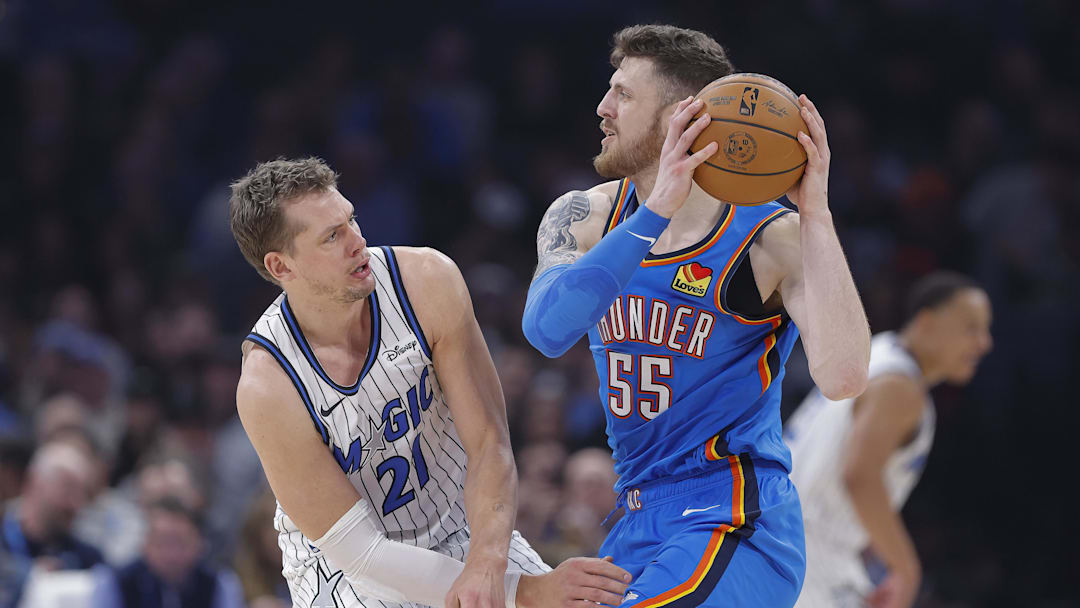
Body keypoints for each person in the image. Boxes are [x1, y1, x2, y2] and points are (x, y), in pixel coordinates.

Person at [521, 24, 871, 606]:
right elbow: (546, 332)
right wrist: (656, 210)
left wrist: (817, 216)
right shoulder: (583, 216)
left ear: (682, 115)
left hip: (733, 515)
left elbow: (844, 376)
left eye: (624, 95)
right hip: (633, 517)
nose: (603, 108)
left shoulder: (771, 237)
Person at [228, 157, 631, 608]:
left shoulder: (425, 281)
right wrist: (527, 591)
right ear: (282, 267)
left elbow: (489, 442)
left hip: (463, 531)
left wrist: (488, 562)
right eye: (331, 236)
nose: (358, 241)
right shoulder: (269, 385)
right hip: (349, 572)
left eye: (351, 219)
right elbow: (361, 554)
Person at [785, 272, 993, 608]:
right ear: (927, 323)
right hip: (810, 552)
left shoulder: (878, 350)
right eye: (971, 328)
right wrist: (906, 568)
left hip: (787, 532)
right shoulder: (900, 387)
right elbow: (860, 477)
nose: (985, 343)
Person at [91, 496, 245, 608]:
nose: (172, 555)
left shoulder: (220, 585)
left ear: (199, 544)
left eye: (181, 543)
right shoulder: (113, 583)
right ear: (145, 544)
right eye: (163, 542)